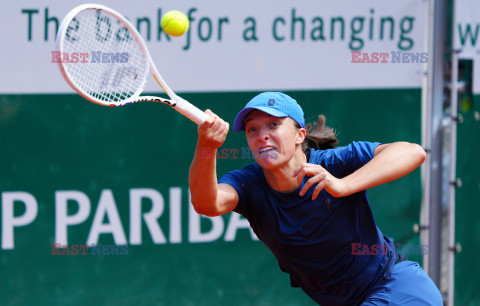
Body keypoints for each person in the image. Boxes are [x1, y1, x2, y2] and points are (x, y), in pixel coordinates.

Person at [188, 92, 443, 305]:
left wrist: (343, 185)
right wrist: (207, 148)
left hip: (398, 290)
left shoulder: (335, 163)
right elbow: (206, 203)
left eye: (274, 125)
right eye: (252, 129)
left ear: (300, 135)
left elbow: (413, 152)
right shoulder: (247, 184)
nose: (262, 135)